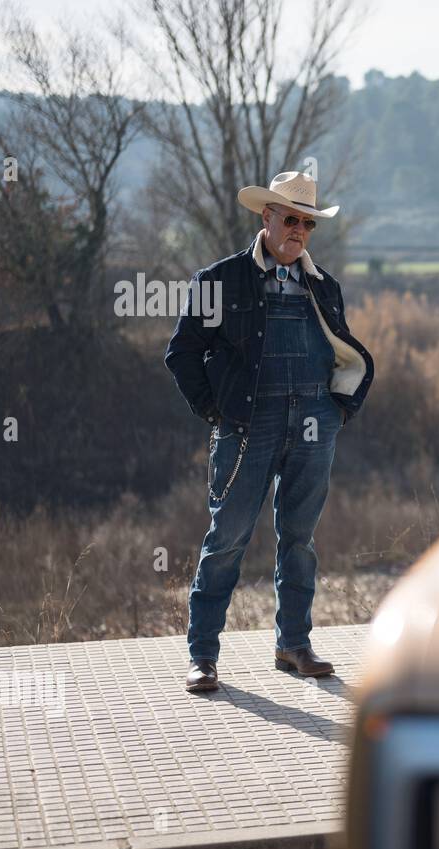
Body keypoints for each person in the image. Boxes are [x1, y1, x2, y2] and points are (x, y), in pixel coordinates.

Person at [164, 171, 375, 693]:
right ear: (267, 218)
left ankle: (294, 646)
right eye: (290, 218)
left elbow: (339, 351)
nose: (299, 229)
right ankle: (203, 657)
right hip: (245, 428)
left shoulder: (325, 287)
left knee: (300, 540)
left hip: (312, 425)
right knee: (227, 541)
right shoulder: (218, 281)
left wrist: (337, 412)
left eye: (307, 222)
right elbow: (182, 352)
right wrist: (215, 411)